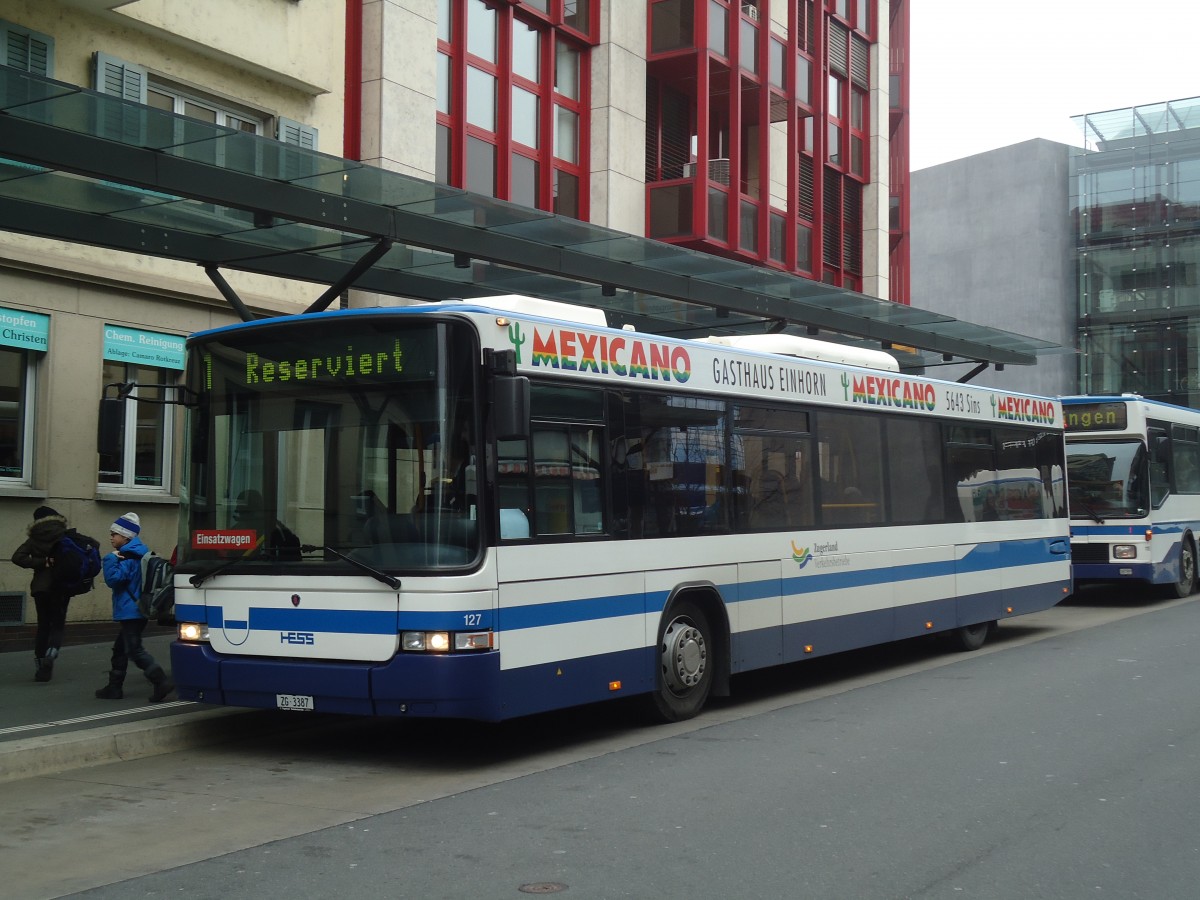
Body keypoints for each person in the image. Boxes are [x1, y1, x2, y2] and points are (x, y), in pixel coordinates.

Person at [11, 506, 98, 683]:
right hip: (61, 587)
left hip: (41, 589)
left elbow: (17, 557)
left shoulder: (34, 538)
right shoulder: (64, 536)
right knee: (57, 624)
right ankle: (52, 652)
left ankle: (40, 666)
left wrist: (42, 562)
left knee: (43, 625)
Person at [94, 512, 175, 702]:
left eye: (115, 533)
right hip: (136, 609)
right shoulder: (139, 553)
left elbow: (114, 579)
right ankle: (114, 688)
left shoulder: (128, 557)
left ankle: (160, 681)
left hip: (132, 611)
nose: (111, 537)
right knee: (120, 648)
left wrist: (109, 559)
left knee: (134, 650)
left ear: (126, 536)